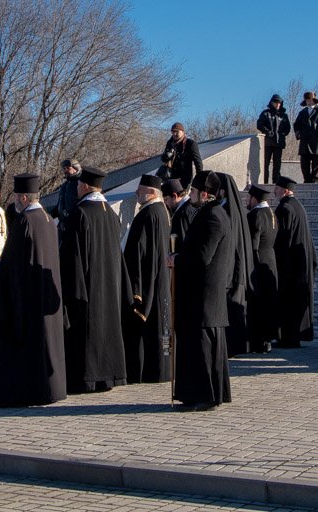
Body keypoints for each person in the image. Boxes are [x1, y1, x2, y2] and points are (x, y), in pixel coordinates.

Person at [0, 173, 66, 408]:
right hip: (39, 296)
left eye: (18, 197)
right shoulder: (48, 219)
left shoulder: (24, 222)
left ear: (23, 198)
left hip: (24, 299)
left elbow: (12, 265)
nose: (16, 202)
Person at [59, 166, 130, 393]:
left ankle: (88, 378)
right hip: (109, 284)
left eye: (79, 185)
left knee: (87, 333)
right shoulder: (110, 214)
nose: (77, 189)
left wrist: (72, 291)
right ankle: (108, 376)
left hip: (88, 286)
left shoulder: (80, 214)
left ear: (86, 187)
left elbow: (73, 257)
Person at [169, 170, 233, 411]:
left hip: (205, 294)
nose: (190, 195)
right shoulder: (206, 213)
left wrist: (177, 258)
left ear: (205, 194)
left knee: (204, 348)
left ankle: (205, 395)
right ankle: (195, 393)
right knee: (198, 346)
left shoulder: (213, 217)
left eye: (194, 191)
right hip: (200, 295)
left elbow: (202, 256)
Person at [121, 174, 172, 384]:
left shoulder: (148, 214)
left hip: (147, 282)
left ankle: (145, 371)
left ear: (151, 192)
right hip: (159, 279)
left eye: (140, 190)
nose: (136, 194)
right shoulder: (162, 211)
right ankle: (161, 369)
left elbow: (137, 252)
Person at [272, 176, 317, 347]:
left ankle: (288, 337)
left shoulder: (285, 208)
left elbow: (281, 239)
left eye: (276, 188)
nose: (274, 191)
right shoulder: (298, 207)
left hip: (289, 264)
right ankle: (294, 336)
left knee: (288, 301)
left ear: (285, 190)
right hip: (300, 264)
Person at [216, 171, 253, 357]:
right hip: (238, 268)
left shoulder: (227, 211)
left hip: (232, 270)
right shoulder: (234, 209)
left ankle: (233, 347)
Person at [245, 184, 279, 354]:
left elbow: (253, 244)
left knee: (257, 305)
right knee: (268, 303)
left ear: (254, 198)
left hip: (258, 263)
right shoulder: (272, 214)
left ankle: (257, 342)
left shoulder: (255, 215)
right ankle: (267, 340)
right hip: (270, 261)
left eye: (248, 198)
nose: (247, 201)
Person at [292, 91, 318, 183]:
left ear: (314, 100)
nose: (308, 101)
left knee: (316, 163)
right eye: (307, 100)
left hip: (316, 141)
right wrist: (298, 133)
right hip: (304, 141)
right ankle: (306, 180)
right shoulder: (302, 112)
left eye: (310, 99)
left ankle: (315, 181)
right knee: (304, 164)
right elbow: (296, 125)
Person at [256, 94, 292, 184]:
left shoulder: (284, 115)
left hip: (279, 143)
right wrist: (267, 132)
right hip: (268, 143)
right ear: (271, 102)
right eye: (276, 102)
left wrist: (283, 133)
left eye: (279, 103)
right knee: (265, 164)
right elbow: (259, 124)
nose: (278, 104)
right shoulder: (266, 113)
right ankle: (265, 182)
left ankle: (276, 182)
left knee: (277, 165)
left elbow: (288, 127)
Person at [160, 123, 203, 188]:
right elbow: (163, 159)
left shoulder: (190, 144)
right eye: (173, 132)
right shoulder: (170, 143)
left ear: (182, 132)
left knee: (181, 197)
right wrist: (167, 155)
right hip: (170, 178)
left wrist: (199, 179)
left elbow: (198, 162)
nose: (174, 134)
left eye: (176, 131)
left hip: (184, 179)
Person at [163, 178, 197, 247]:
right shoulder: (192, 204)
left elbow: (182, 241)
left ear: (174, 196)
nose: (165, 204)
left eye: (166, 200)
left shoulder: (182, 213)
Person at [50, 158, 81, 223]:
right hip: (63, 224)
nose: (65, 171)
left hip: (75, 223)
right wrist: (47, 216)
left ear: (76, 168)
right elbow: (60, 205)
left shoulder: (80, 184)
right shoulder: (65, 185)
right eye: (64, 169)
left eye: (68, 168)